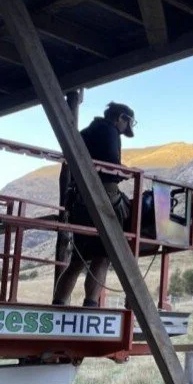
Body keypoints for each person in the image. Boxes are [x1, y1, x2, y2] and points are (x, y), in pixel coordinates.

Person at [52, 102, 136, 307]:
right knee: (103, 256)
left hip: (79, 200)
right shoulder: (110, 131)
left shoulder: (87, 131)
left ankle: (59, 303)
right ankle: (91, 304)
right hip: (101, 199)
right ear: (121, 118)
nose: (125, 128)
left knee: (77, 260)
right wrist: (124, 172)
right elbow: (109, 168)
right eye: (127, 123)